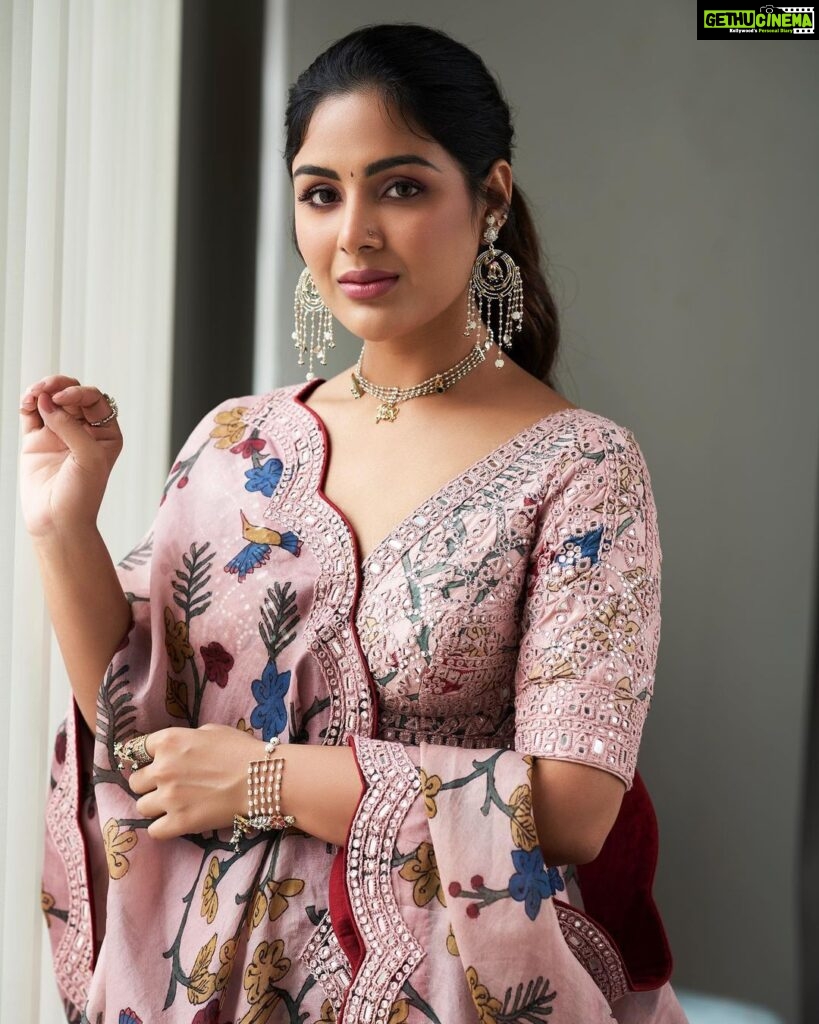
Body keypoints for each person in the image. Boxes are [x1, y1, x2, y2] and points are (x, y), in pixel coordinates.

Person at [20, 23, 688, 1024]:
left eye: (402, 186)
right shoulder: (239, 439)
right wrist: (62, 527)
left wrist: (267, 780)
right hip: (214, 984)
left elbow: (576, 808)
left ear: (491, 196)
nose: (354, 234)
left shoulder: (582, 467)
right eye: (322, 192)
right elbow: (140, 730)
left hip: (448, 987)